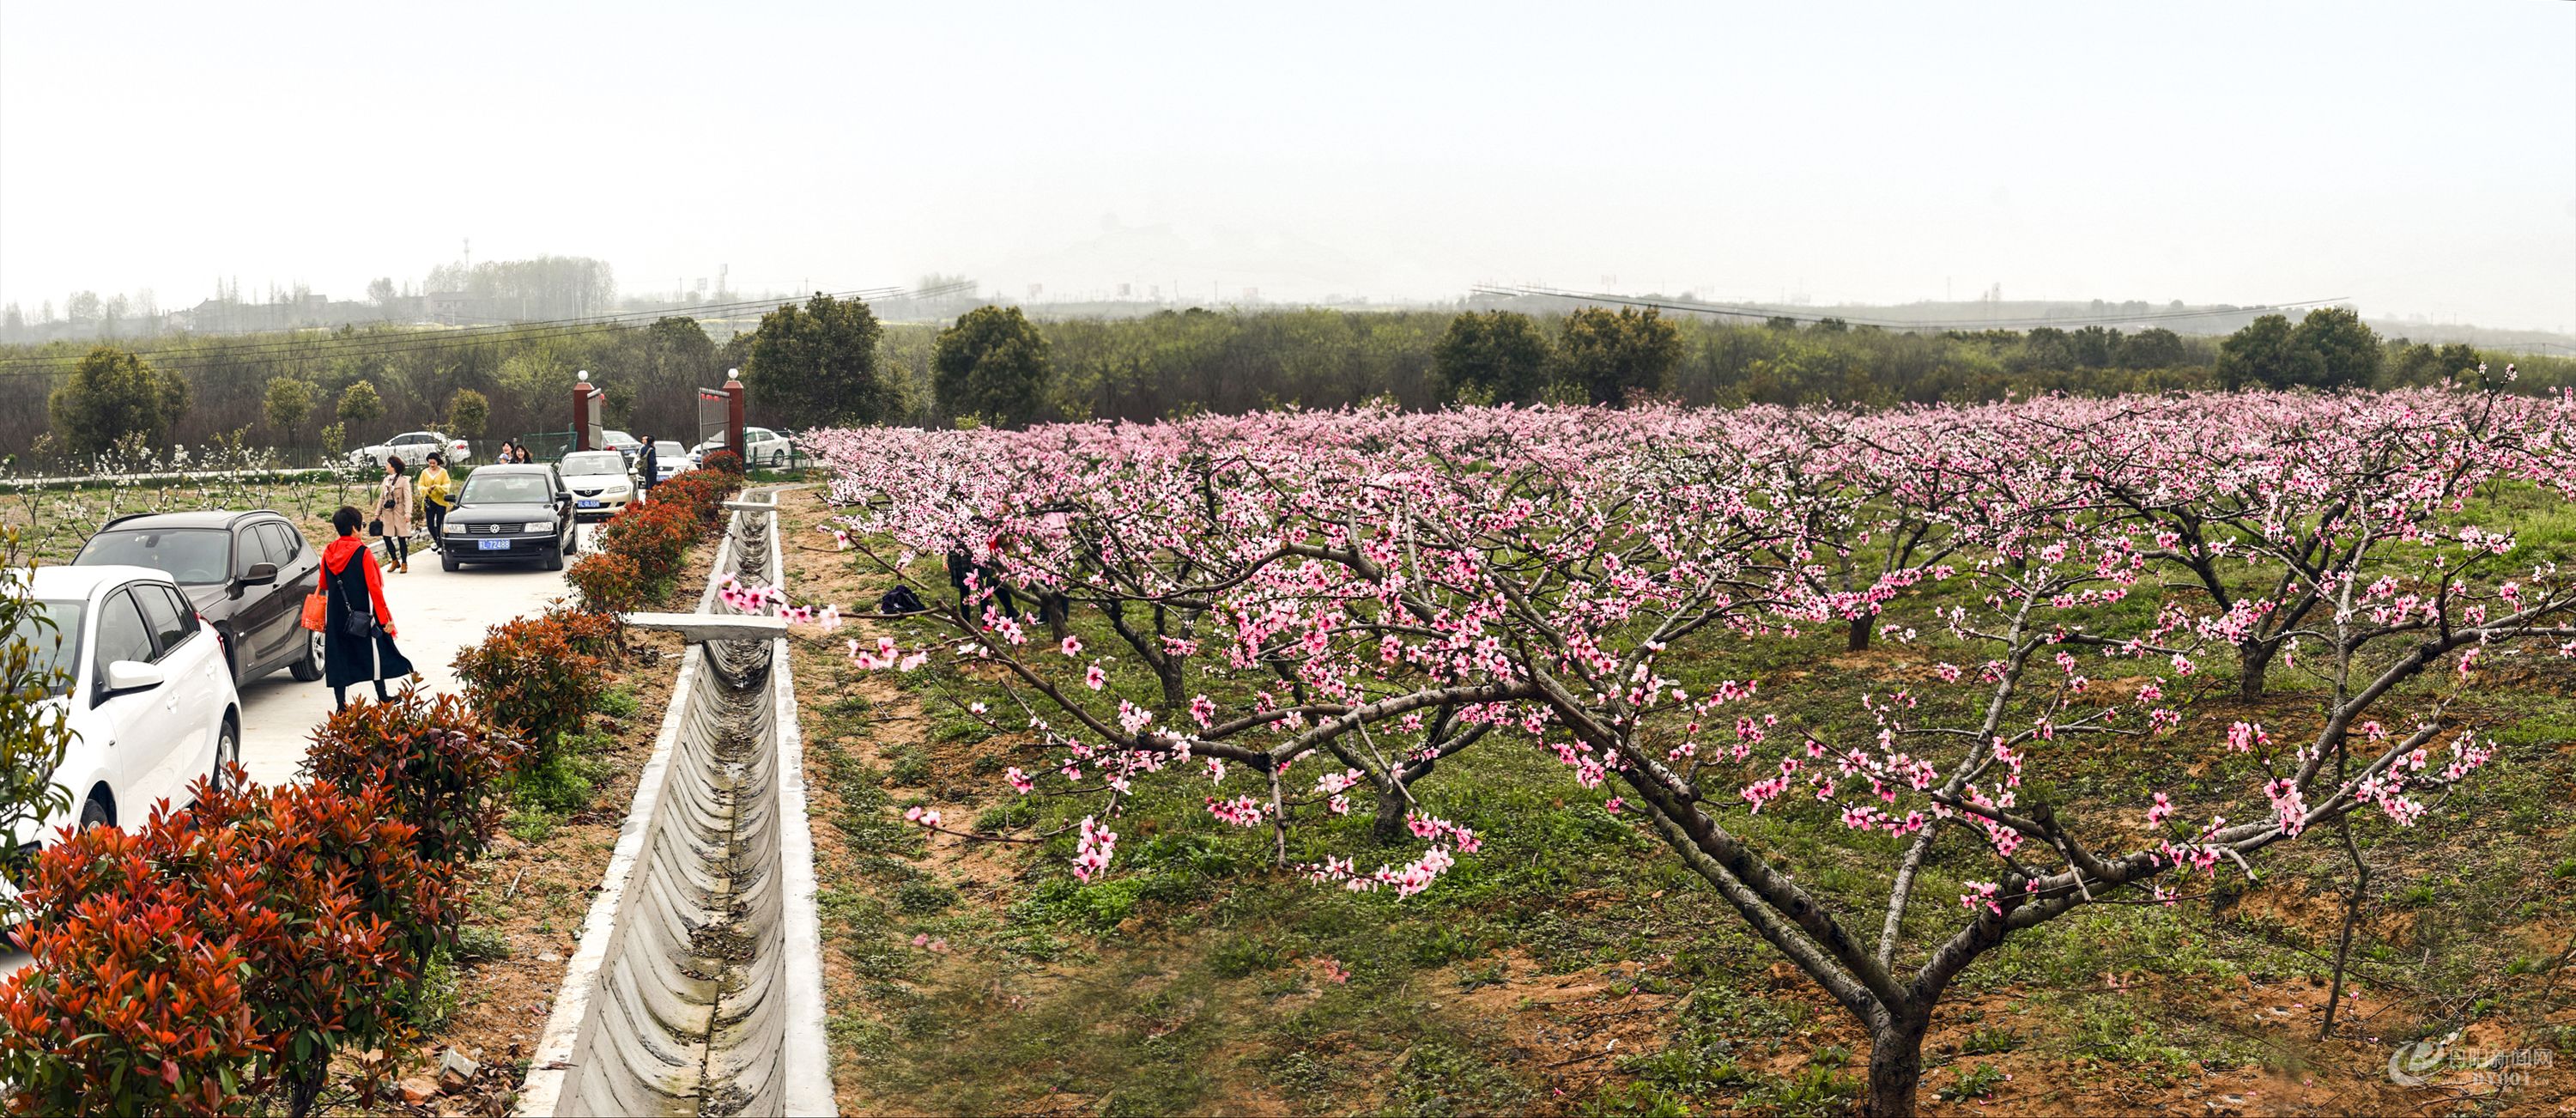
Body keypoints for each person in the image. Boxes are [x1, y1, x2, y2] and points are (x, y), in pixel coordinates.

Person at [322, 505, 416, 711]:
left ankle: (341, 705)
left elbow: (324, 584)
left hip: (337, 616)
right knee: (376, 654)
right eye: (362, 525)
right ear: (355, 528)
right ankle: (383, 697)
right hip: (362, 614)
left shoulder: (328, 552)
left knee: (339, 657)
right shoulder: (362, 552)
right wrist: (385, 619)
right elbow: (374, 589)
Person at [377, 456, 416, 573]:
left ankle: (404, 562)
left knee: (401, 538)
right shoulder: (386, 480)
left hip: (400, 512)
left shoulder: (404, 481)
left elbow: (408, 499)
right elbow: (381, 498)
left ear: (393, 466)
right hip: (387, 512)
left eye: (387, 464)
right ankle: (394, 560)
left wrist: (408, 513)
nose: (386, 466)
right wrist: (377, 513)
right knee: (386, 537)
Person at [419, 453, 453, 553]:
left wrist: (437, 487)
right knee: (430, 524)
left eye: (434, 463)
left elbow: (447, 486)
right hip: (429, 501)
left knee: (439, 523)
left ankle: (441, 544)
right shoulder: (424, 472)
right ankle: (437, 540)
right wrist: (427, 490)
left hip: (441, 501)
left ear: (437, 462)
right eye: (430, 463)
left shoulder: (443, 472)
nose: (432, 465)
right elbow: (420, 486)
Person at [637, 436, 658, 503]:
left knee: (647, 484)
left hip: (645, 469)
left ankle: (647, 498)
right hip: (652, 470)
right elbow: (652, 461)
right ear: (652, 442)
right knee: (652, 486)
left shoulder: (643, 449)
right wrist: (655, 462)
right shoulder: (651, 450)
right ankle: (652, 499)